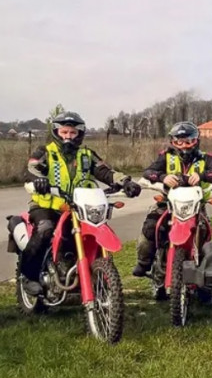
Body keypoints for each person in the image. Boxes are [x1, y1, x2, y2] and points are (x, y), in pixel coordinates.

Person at [21, 111, 141, 296]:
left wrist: (125, 182)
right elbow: (31, 167)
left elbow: (105, 171)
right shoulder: (45, 152)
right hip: (48, 206)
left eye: (72, 133)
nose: (68, 137)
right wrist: (39, 180)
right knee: (45, 230)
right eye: (64, 132)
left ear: (79, 134)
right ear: (57, 132)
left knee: (96, 230)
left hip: (80, 207)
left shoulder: (86, 155)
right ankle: (30, 276)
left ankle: (94, 275)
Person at [133, 121, 212, 302]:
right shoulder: (165, 157)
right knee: (151, 228)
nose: (184, 146)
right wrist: (163, 177)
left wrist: (203, 176)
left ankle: (206, 286)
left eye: (188, 142)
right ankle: (145, 263)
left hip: (196, 207)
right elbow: (148, 172)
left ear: (196, 141)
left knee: (206, 240)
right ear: (172, 142)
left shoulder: (207, 158)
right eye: (179, 142)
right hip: (168, 205)